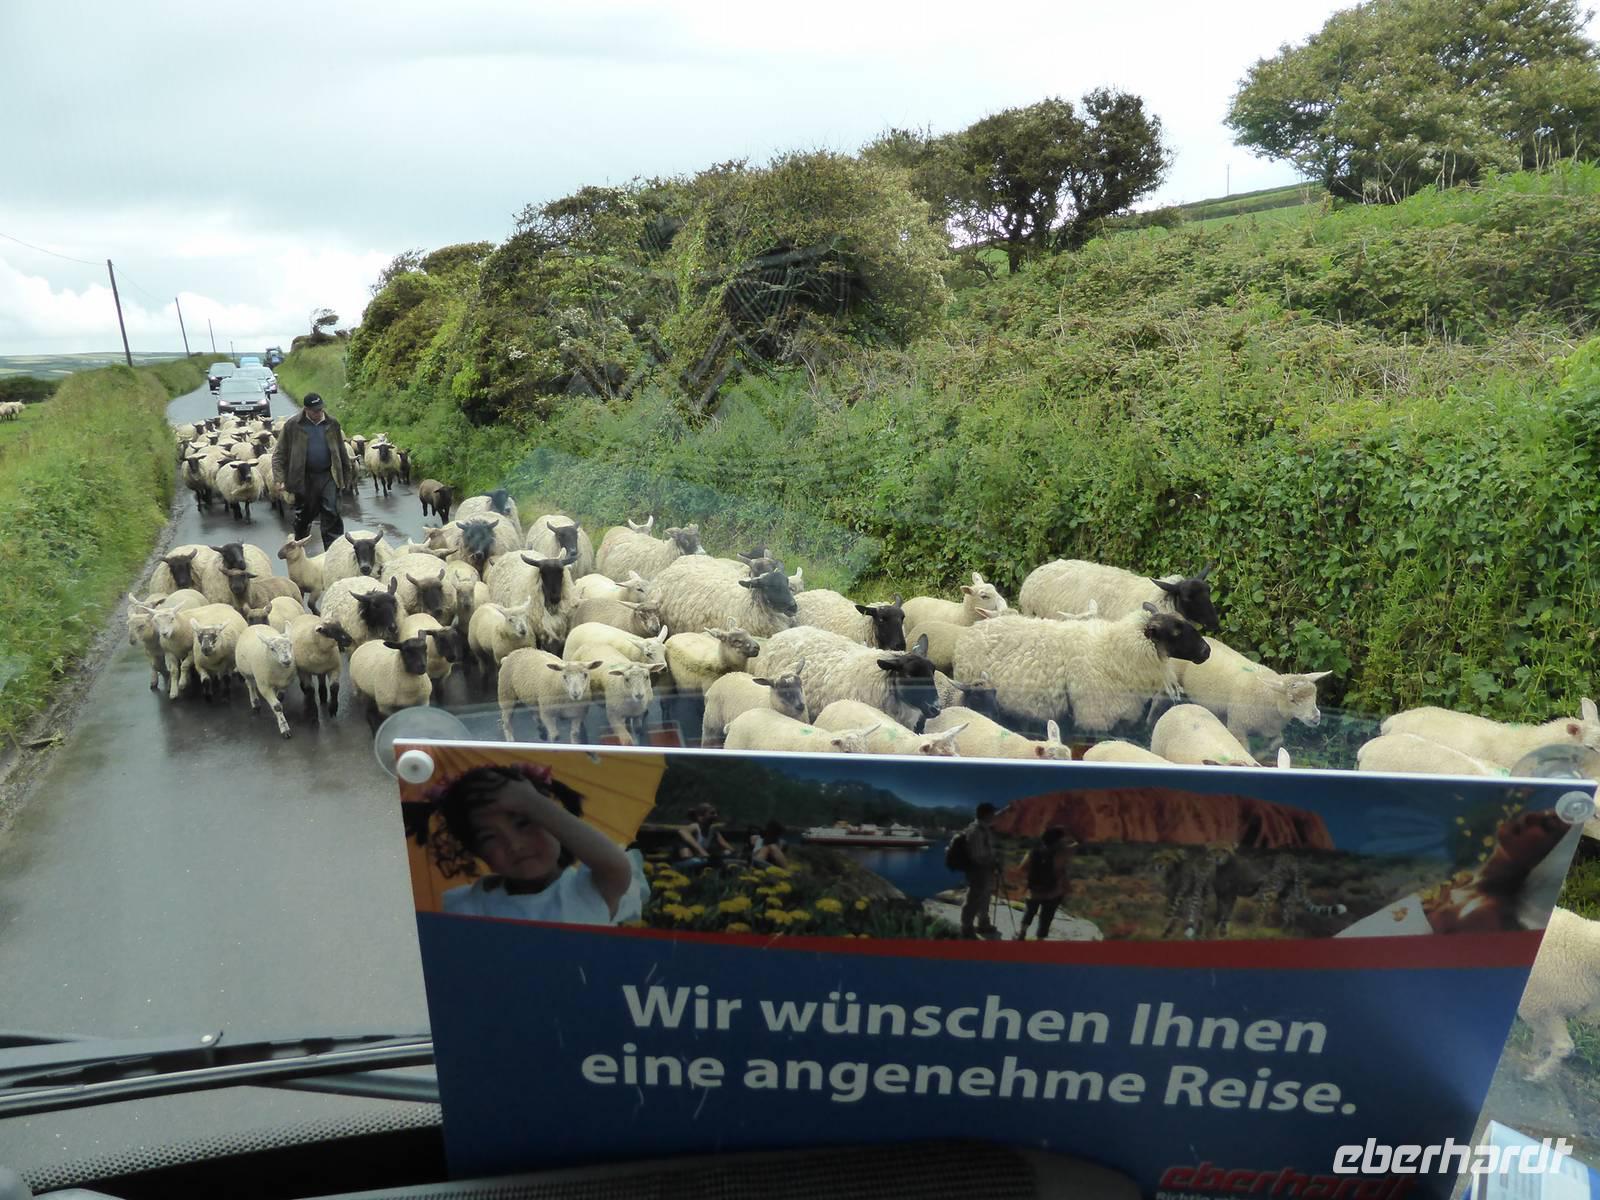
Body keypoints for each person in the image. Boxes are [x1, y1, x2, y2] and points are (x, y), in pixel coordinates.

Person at [429, 762, 648, 926]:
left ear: (551, 821)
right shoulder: (470, 906)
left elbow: (614, 866)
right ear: (475, 850)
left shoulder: (586, 890)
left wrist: (529, 802)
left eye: (524, 823)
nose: (515, 845)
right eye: (489, 837)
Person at [270, 392, 355, 550]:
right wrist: (279, 478)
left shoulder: (332, 424)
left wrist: (347, 475)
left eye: (320, 409)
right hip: (304, 478)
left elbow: (341, 451)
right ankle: (300, 544)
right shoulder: (293, 425)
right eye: (315, 411)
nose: (319, 413)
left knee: (332, 513)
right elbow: (279, 454)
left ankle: (332, 552)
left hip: (328, 475)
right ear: (306, 409)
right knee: (305, 515)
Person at [1019, 827, 1075, 941]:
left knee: (1029, 912)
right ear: (1058, 840)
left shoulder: (1033, 851)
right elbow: (1076, 845)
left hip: (1034, 890)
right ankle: (1040, 940)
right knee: (1046, 917)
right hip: (1053, 892)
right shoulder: (1061, 853)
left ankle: (1022, 933)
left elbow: (1022, 868)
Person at [960, 802, 1002, 940]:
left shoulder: (984, 829)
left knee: (984, 897)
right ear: (986, 814)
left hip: (985, 870)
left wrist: (993, 862)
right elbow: (977, 856)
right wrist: (991, 863)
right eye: (992, 813)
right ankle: (966, 928)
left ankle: (983, 923)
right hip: (978, 870)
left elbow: (986, 851)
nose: (994, 816)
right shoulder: (976, 831)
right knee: (973, 899)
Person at [676, 804, 734, 869]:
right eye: (712, 813)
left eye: (716, 813)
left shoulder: (713, 831)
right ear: (701, 816)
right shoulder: (695, 827)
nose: (716, 815)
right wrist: (702, 852)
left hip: (701, 861)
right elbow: (682, 831)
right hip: (684, 863)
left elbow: (726, 845)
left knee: (723, 857)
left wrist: (733, 854)